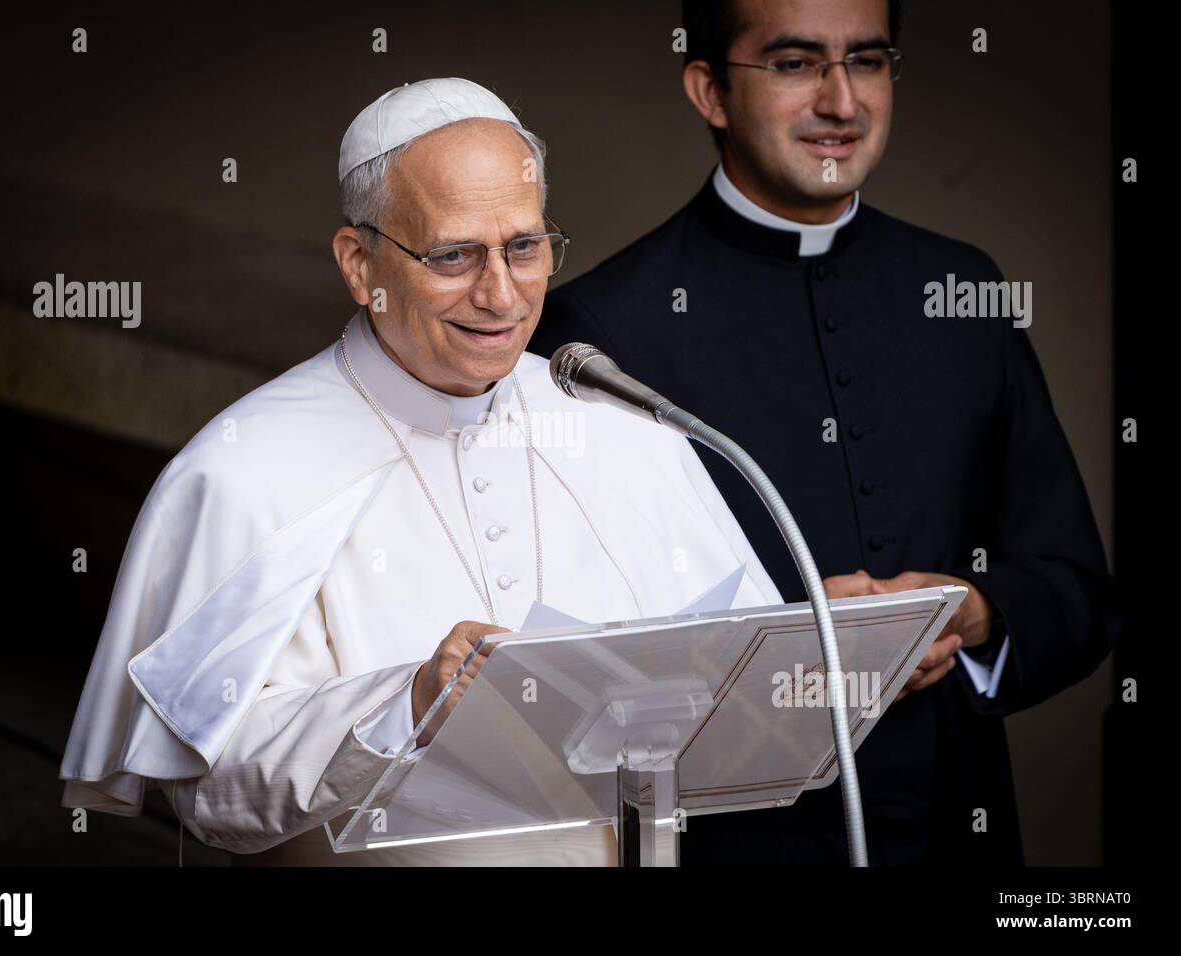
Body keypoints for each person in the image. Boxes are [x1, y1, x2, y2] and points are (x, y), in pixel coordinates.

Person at [58, 77, 781, 866]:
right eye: (453, 254)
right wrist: (407, 702)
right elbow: (213, 793)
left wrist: (797, 645)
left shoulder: (616, 424)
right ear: (359, 261)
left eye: (524, 246)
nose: (500, 294)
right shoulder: (244, 468)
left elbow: (740, 701)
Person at [530, 0, 1121, 865]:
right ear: (710, 91)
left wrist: (979, 611)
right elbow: (564, 662)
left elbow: (1075, 588)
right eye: (797, 64)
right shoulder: (597, 333)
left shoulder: (964, 292)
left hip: (955, 829)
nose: (843, 102)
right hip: (736, 845)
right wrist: (775, 648)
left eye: (869, 61)